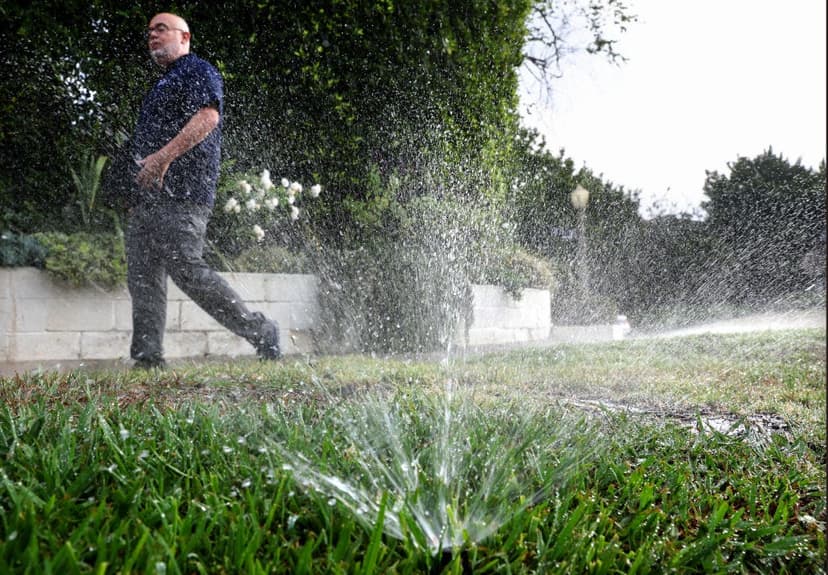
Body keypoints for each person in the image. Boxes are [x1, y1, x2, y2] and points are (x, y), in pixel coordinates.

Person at [123, 12, 280, 369]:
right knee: (143, 278)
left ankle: (261, 331)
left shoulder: (198, 70)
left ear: (185, 36)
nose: (153, 35)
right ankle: (148, 358)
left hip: (184, 193)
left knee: (188, 271)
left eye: (161, 29)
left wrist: (163, 159)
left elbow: (208, 118)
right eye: (149, 31)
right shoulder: (161, 84)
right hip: (148, 198)